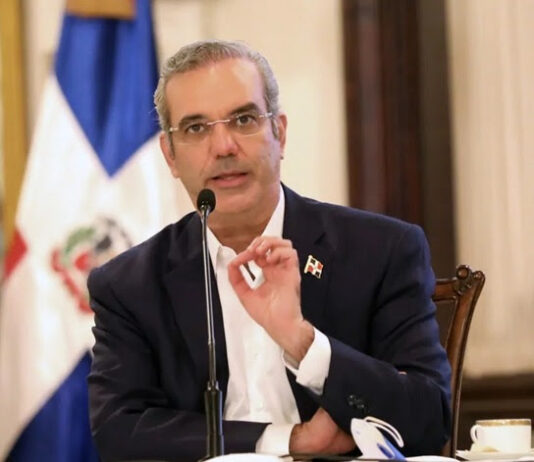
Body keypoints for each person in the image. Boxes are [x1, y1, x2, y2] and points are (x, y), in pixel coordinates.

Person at [88, 39, 451, 462]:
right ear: (170, 155)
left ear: (279, 133)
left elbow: (428, 418)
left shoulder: (380, 251)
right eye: (196, 128)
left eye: (243, 119)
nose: (223, 146)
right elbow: (119, 431)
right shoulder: (129, 285)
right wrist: (290, 440)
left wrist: (303, 342)